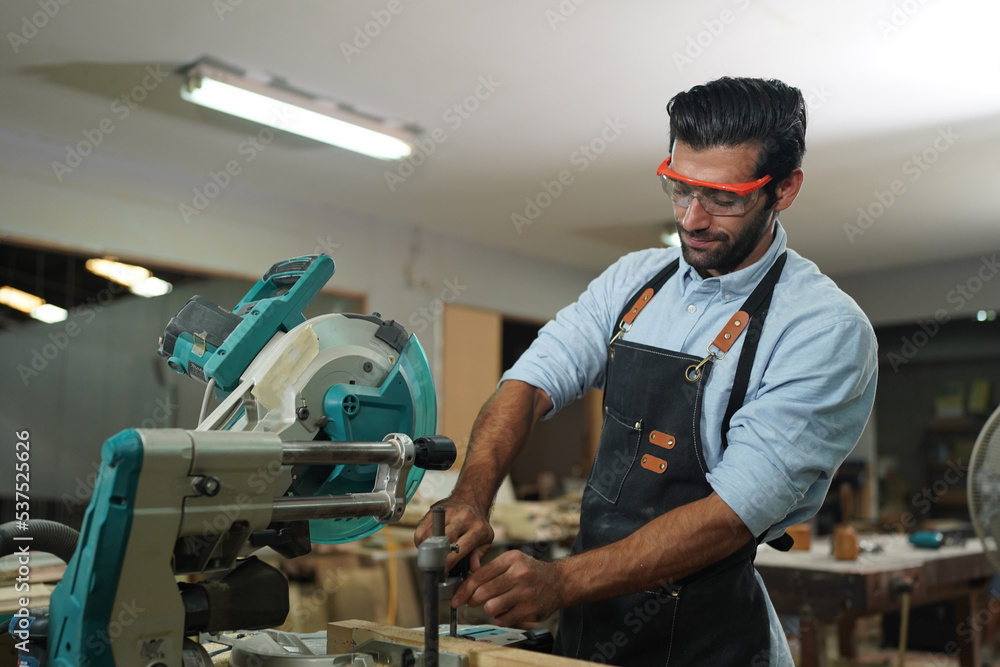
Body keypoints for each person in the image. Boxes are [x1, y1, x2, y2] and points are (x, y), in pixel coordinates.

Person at [415, 77, 878, 666]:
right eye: (680, 188)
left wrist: (559, 582)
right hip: (590, 630)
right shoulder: (633, 281)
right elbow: (528, 385)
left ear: (783, 189)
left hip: (712, 642)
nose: (692, 218)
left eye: (723, 198)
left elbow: (731, 515)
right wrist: (470, 496)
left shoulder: (822, 328)